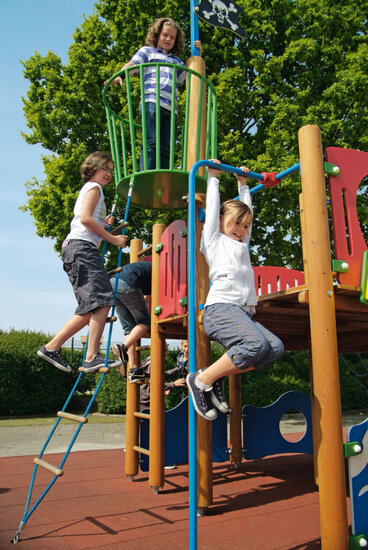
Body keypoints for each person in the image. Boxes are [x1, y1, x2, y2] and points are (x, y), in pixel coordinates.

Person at [186, 160, 285, 420]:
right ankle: (201, 380)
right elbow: (213, 208)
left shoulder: (242, 244)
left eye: (245, 226)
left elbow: (247, 211)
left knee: (274, 348)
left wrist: (244, 185)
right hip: (219, 310)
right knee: (255, 344)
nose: (241, 230)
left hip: (241, 312)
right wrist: (214, 177)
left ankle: (213, 376)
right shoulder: (214, 241)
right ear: (220, 221)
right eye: (236, 224)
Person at [37, 151, 127, 374]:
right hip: (82, 250)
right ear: (92, 168)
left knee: (91, 308)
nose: (108, 173)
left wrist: (103, 225)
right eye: (104, 168)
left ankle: (54, 347)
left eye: (110, 170)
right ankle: (90, 357)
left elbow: (87, 219)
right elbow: (85, 220)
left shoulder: (91, 191)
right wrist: (113, 238)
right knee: (103, 301)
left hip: (78, 250)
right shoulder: (94, 188)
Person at [106, 17, 202, 170]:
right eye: (165, 35)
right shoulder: (147, 52)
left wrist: (198, 57)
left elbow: (190, 82)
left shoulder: (176, 62)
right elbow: (133, 65)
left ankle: (164, 175)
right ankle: (149, 173)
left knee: (167, 147)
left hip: (171, 108)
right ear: (157, 35)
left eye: (172, 37)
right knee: (152, 142)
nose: (168, 39)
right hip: (152, 101)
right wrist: (121, 75)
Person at [110, 261, 152, 378]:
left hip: (113, 284)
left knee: (129, 329)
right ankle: (122, 348)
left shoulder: (145, 269)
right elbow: (145, 299)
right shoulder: (161, 272)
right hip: (127, 282)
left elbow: (143, 298)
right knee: (145, 321)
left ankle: (133, 369)